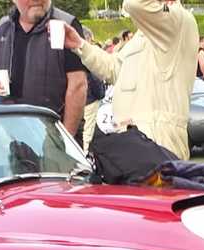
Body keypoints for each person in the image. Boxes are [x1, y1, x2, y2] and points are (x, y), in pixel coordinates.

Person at [62, 0, 196, 158]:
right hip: (132, 139)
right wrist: (80, 45)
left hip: (159, 140)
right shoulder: (142, 34)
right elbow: (114, 68)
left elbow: (135, 4)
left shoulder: (179, 19)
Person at [0, 0, 88, 135]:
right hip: (11, 130)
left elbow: (78, 85)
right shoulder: (3, 27)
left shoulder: (65, 25)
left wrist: (65, 138)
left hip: (52, 132)